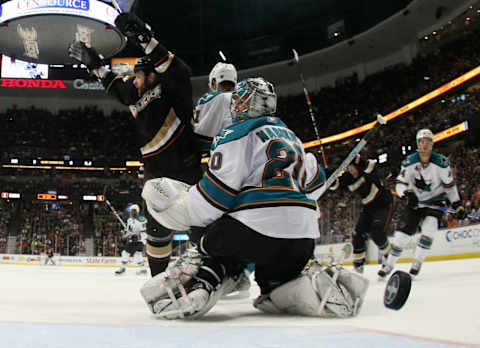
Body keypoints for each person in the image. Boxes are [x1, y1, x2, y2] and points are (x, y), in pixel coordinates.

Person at [139, 77, 369, 319]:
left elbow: (213, 199)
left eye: (239, 100)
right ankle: (303, 287)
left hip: (252, 232)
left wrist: (178, 209)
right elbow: (316, 185)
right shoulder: (292, 137)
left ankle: (211, 276)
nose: (235, 105)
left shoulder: (236, 133)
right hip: (302, 238)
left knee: (204, 230)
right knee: (276, 284)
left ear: (247, 103)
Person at [68, 12, 202, 277]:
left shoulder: (170, 86)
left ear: (152, 75)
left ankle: (223, 270)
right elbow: (115, 85)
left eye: (138, 76)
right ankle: (158, 280)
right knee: (157, 232)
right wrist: (93, 64)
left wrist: (145, 40)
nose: (134, 80)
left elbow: (178, 69)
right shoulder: (134, 94)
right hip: (155, 175)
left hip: (185, 168)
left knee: (201, 223)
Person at [378, 129, 465, 278]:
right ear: (418, 144)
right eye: (421, 142)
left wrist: (457, 203)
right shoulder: (409, 162)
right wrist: (406, 194)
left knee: (430, 228)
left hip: (435, 202)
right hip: (415, 203)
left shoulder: (442, 163)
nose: (424, 145)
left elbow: (450, 186)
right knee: (401, 236)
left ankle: (417, 261)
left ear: (432, 144)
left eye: (428, 142)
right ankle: (389, 264)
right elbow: (400, 184)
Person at [328, 154, 393, 274]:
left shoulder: (366, 170)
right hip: (368, 207)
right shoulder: (347, 178)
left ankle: (389, 258)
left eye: (352, 167)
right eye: (348, 168)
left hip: (383, 204)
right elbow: (336, 185)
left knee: (376, 231)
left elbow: (373, 166)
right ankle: (358, 265)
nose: (350, 170)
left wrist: (361, 161)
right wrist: (329, 176)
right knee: (357, 234)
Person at [192, 62, 237, 155]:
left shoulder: (209, 98)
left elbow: (200, 134)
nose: (227, 89)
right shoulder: (242, 99)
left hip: (211, 154)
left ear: (213, 82)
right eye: (225, 85)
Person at [115, 204, 148, 275]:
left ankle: (123, 268)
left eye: (134, 211)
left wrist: (134, 234)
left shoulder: (142, 219)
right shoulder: (129, 220)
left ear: (137, 212)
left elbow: (143, 230)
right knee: (137, 255)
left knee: (125, 253)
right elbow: (129, 231)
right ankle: (143, 269)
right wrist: (125, 235)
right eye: (131, 211)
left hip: (139, 240)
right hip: (134, 240)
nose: (132, 212)